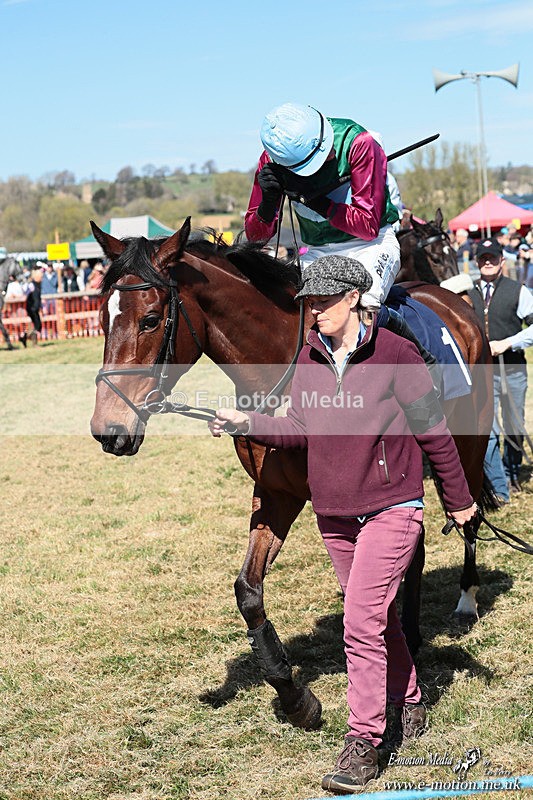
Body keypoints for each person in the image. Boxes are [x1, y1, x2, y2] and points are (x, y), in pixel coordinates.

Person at [209, 255, 477, 794]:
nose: (314, 314)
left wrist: (459, 499)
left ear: (354, 298)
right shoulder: (309, 360)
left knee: (358, 623)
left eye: (325, 302)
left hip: (392, 509)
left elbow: (434, 434)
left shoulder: (398, 354)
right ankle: (411, 701)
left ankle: (364, 741)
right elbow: (301, 429)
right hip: (335, 517)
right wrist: (248, 422)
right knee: (375, 620)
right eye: (309, 304)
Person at [245, 101, 437, 370]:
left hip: (370, 245)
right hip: (317, 252)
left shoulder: (361, 142)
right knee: (293, 314)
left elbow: (368, 225)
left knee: (363, 307)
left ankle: (422, 362)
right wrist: (266, 205)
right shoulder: (271, 160)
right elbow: (255, 238)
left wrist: (317, 202)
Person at [468, 238, 533, 500]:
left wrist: (508, 343)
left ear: (502, 261)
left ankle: (513, 470)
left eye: (492, 257)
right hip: (482, 372)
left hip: (513, 368)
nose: (487, 262)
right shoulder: (467, 293)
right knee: (489, 427)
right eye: (483, 257)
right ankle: (498, 483)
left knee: (514, 422)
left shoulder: (519, 291)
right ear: (477, 261)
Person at [20, 269, 43, 347]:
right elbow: (25, 293)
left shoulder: (38, 285)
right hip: (32, 308)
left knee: (37, 326)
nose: (42, 278)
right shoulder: (32, 285)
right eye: (41, 277)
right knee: (37, 325)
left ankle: (24, 337)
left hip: (35, 308)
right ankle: (34, 344)